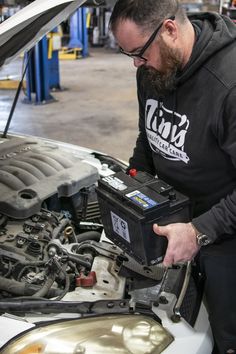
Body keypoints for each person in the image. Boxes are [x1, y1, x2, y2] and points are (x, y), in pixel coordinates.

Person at [109, 1, 236, 353]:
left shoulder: (229, 85)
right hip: (173, 220)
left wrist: (199, 231)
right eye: (127, 54)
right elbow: (147, 139)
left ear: (169, 29)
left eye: (138, 52)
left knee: (227, 335)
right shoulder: (151, 71)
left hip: (226, 232)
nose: (135, 63)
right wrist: (128, 188)